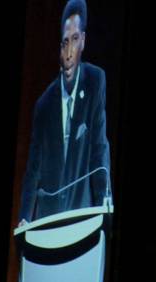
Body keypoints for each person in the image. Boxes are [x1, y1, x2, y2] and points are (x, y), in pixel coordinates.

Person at [18, 0, 111, 226]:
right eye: (65, 43)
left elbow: (99, 149)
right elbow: (33, 169)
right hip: (48, 222)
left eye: (75, 40)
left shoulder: (95, 82)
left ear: (84, 42)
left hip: (81, 219)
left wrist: (104, 204)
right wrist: (24, 217)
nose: (69, 53)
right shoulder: (44, 105)